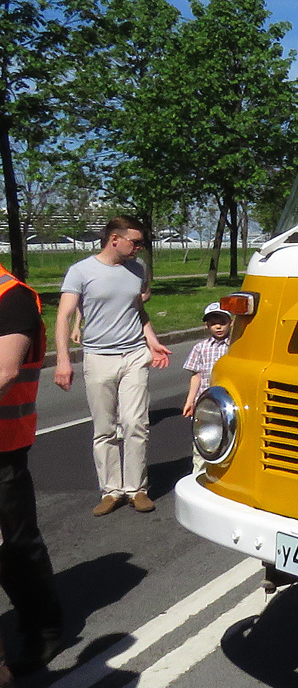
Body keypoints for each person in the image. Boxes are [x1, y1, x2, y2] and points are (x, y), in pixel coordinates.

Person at [53, 217, 171, 515]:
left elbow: (138, 310)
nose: (140, 248)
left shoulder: (138, 269)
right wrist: (63, 361)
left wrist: (152, 340)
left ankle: (137, 489)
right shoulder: (81, 271)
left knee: (135, 423)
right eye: (136, 242)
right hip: (98, 357)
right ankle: (111, 490)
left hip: (134, 354)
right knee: (105, 428)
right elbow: (63, 317)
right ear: (114, 239)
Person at [0, 260, 64, 677]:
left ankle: (43, 628)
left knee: (15, 544)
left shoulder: (12, 297)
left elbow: (4, 371)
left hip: (3, 446)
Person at [182, 301, 232, 476]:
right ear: (207, 325)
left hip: (230, 404)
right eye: (213, 323)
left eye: (222, 322)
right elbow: (196, 375)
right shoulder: (200, 348)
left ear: (231, 322)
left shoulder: (236, 346)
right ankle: (199, 475)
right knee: (203, 442)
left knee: (229, 442)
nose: (218, 327)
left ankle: (225, 477)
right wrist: (190, 401)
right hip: (205, 404)